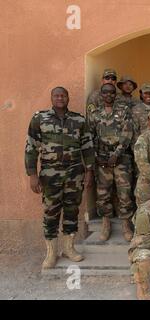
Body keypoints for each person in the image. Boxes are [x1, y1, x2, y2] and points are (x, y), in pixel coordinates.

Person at [25, 87, 95, 269]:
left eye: (63, 95)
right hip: (50, 175)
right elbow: (31, 147)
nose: (60, 98)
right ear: (51, 98)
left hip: (75, 173)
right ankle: (51, 253)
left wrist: (88, 172)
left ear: (68, 98)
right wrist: (32, 174)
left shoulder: (79, 120)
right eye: (56, 95)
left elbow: (87, 147)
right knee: (51, 212)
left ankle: (69, 248)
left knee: (72, 211)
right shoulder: (39, 118)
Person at [87, 83, 134, 242]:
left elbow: (127, 133)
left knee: (124, 193)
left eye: (112, 93)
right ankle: (106, 224)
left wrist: (117, 154)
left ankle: (126, 224)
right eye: (105, 93)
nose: (108, 95)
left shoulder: (123, 111)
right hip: (102, 160)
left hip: (121, 159)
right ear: (101, 94)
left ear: (115, 95)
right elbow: (90, 137)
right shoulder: (95, 114)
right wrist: (96, 156)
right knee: (103, 193)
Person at [132, 83, 150, 148]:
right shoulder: (136, 109)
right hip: (142, 145)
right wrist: (136, 147)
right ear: (141, 94)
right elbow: (134, 131)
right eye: (145, 93)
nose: (148, 95)